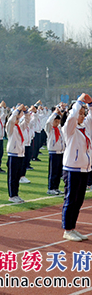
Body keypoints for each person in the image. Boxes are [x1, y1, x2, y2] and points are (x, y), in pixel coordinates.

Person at [60, 94, 92, 242]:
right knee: (71, 199)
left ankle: (72, 228)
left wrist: (90, 104)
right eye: (80, 113)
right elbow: (72, 116)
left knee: (78, 201)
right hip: (72, 169)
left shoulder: (85, 128)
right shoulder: (69, 129)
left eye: (83, 113)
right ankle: (67, 229)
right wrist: (78, 102)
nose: (82, 116)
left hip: (84, 169)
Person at [5, 104, 31, 203]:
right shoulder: (10, 128)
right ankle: (12, 195)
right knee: (12, 176)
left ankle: (16, 194)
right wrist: (16, 111)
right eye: (16, 118)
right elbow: (11, 120)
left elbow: (27, 120)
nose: (17, 120)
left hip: (20, 154)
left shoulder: (19, 127)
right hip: (13, 154)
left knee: (17, 176)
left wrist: (25, 112)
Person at [45, 105, 65, 195]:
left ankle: (56, 187)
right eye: (55, 121)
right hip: (53, 152)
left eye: (58, 121)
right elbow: (48, 122)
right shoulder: (50, 130)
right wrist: (54, 113)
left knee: (58, 171)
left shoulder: (60, 129)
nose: (56, 123)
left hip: (61, 152)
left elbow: (65, 122)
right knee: (53, 171)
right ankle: (51, 188)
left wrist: (61, 114)